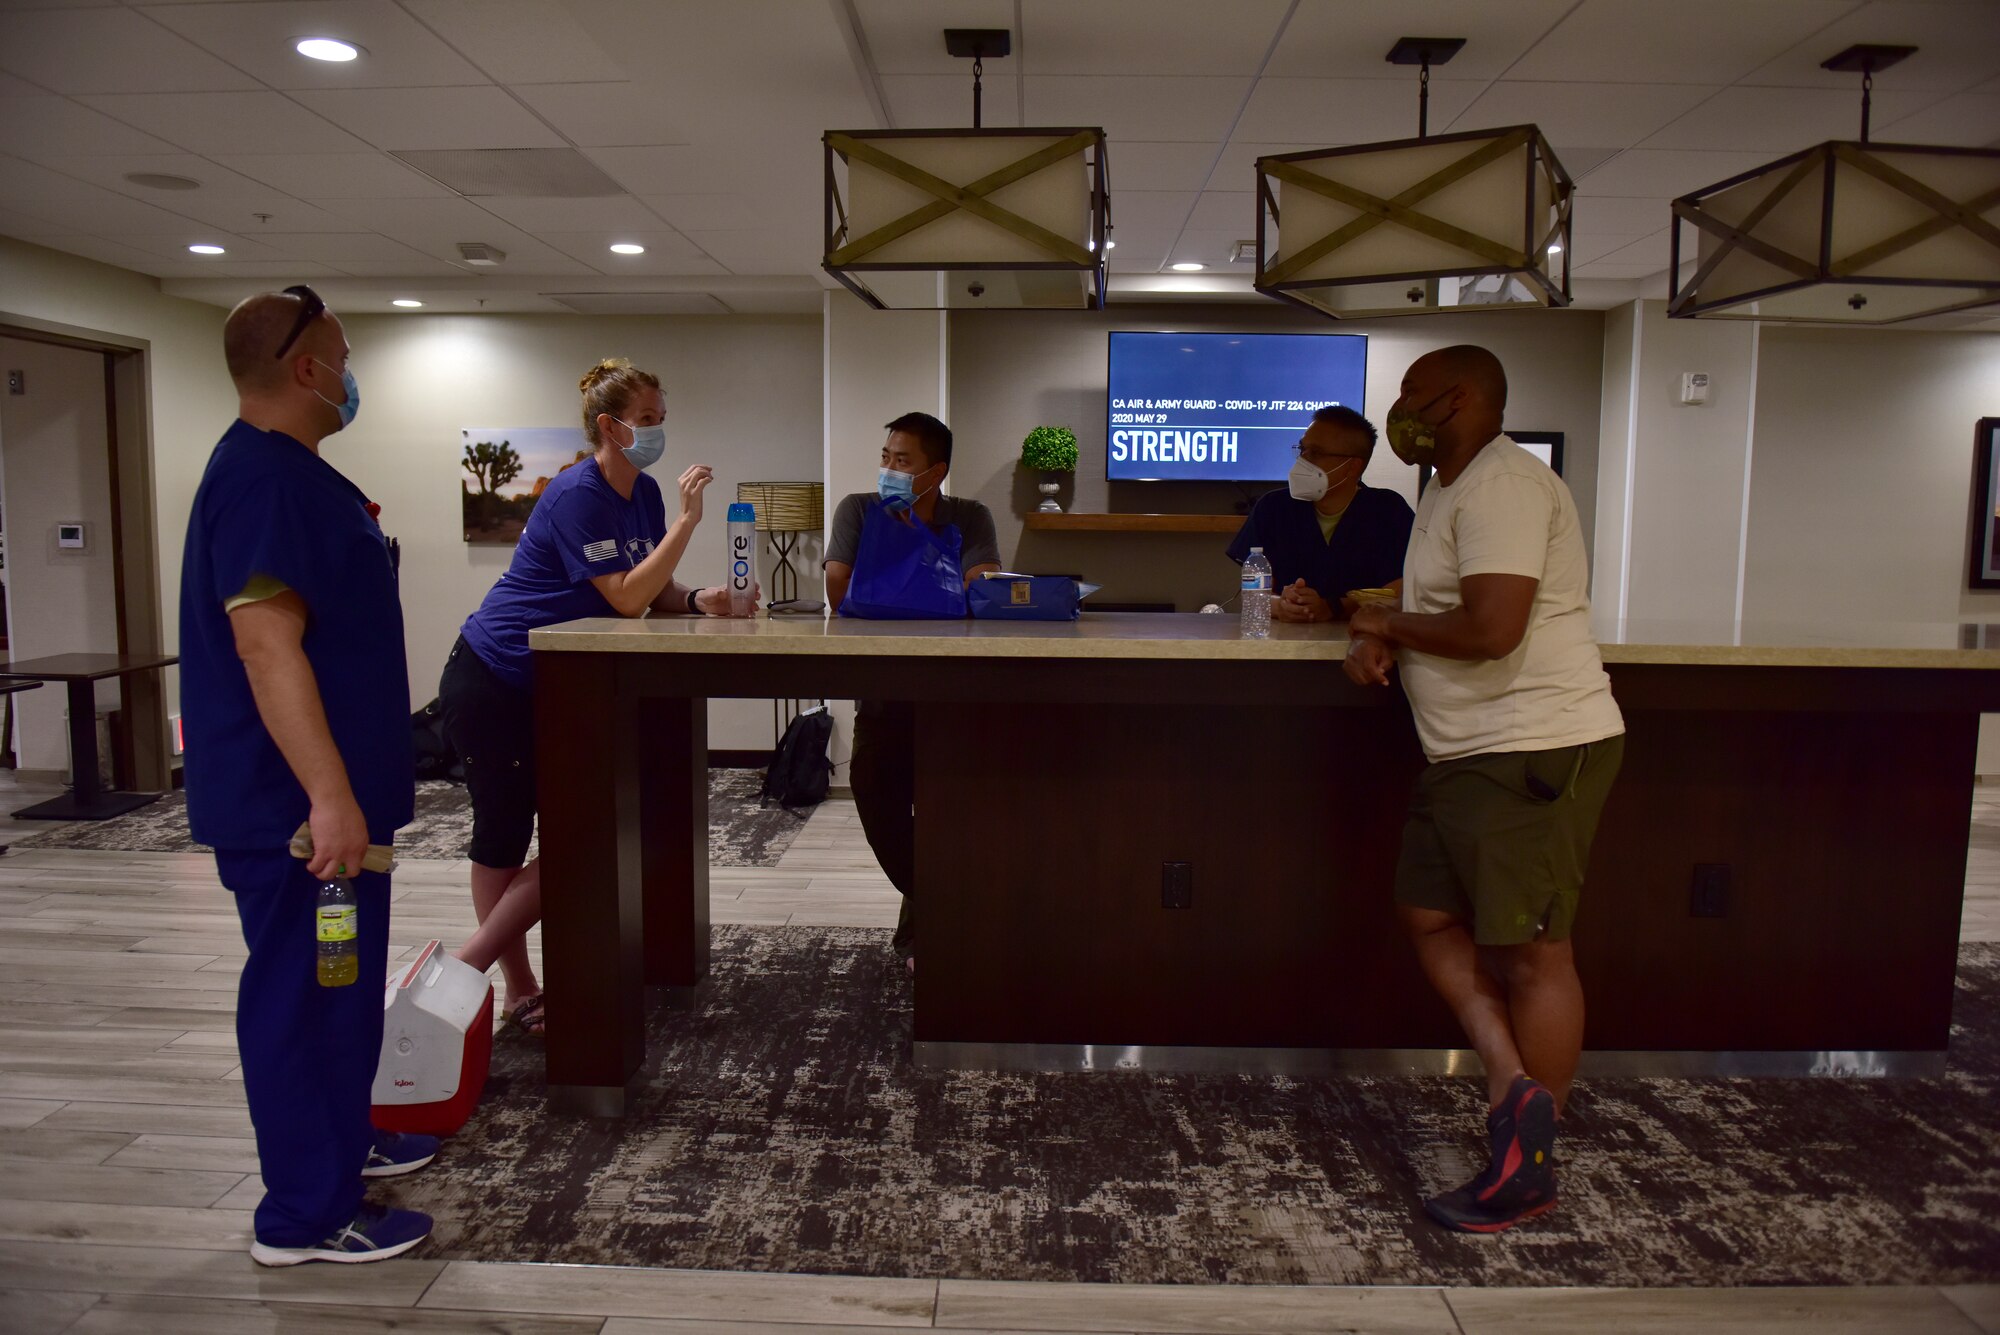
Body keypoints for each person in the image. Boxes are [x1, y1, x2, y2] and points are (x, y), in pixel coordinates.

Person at [1344, 345, 1624, 1234]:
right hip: (1464, 751)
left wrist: (1385, 621)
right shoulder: (1447, 486)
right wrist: (1382, 619)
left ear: (1456, 398)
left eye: (1408, 395)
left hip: (1528, 746)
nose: (1399, 410)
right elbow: (1448, 598)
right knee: (1428, 914)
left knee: (1536, 953)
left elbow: (1496, 625)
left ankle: (1527, 1167)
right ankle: (1514, 1086)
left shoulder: (1503, 483)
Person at [180, 284, 434, 1265]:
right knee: (301, 995)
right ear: (305, 369)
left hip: (331, 809)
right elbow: (264, 646)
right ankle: (302, 1214)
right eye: (344, 353)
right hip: (294, 815)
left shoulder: (293, 473)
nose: (351, 370)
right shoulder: (263, 483)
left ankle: (340, 1145)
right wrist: (327, 797)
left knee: (339, 981)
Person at [441, 359, 756, 1035]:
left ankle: (473, 969)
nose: (657, 432)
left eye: (661, 420)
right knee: (503, 834)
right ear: (609, 426)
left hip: (561, 681)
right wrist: (690, 521)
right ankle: (511, 986)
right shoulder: (575, 493)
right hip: (496, 675)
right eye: (647, 420)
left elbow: (653, 588)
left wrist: (705, 598)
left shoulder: (638, 493)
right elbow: (625, 597)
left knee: (579, 831)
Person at [823, 412, 1001, 970]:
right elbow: (838, 587)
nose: (889, 470)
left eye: (903, 461)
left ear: (936, 471)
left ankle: (927, 932)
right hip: (883, 688)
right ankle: (945, 911)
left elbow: (985, 585)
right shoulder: (858, 509)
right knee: (876, 793)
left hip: (952, 693)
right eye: (886, 458)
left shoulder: (968, 516)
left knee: (951, 813)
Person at [1225, 405, 1412, 622]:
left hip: (1360, 644)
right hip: (1281, 645)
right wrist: (1281, 606)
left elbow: (1399, 592)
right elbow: (1252, 593)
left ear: (1352, 467)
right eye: (1301, 449)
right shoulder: (1273, 508)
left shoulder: (1387, 511)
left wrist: (1333, 607)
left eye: (1316, 453)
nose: (1303, 460)